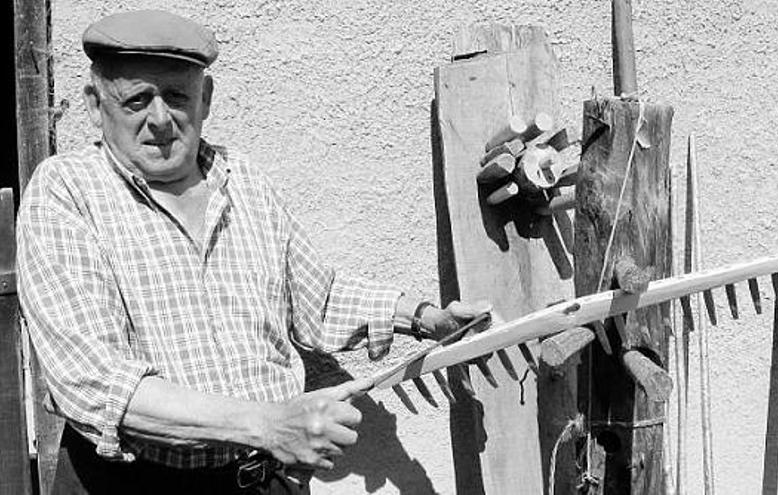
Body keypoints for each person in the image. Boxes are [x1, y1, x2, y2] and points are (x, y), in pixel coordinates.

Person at [16, 9, 489, 495]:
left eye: (177, 96)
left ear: (206, 99)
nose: (160, 119)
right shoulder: (66, 191)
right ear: (96, 106)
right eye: (137, 99)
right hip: (132, 483)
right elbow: (95, 381)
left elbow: (317, 298)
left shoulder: (241, 180)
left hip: (262, 481)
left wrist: (424, 316)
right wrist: (270, 425)